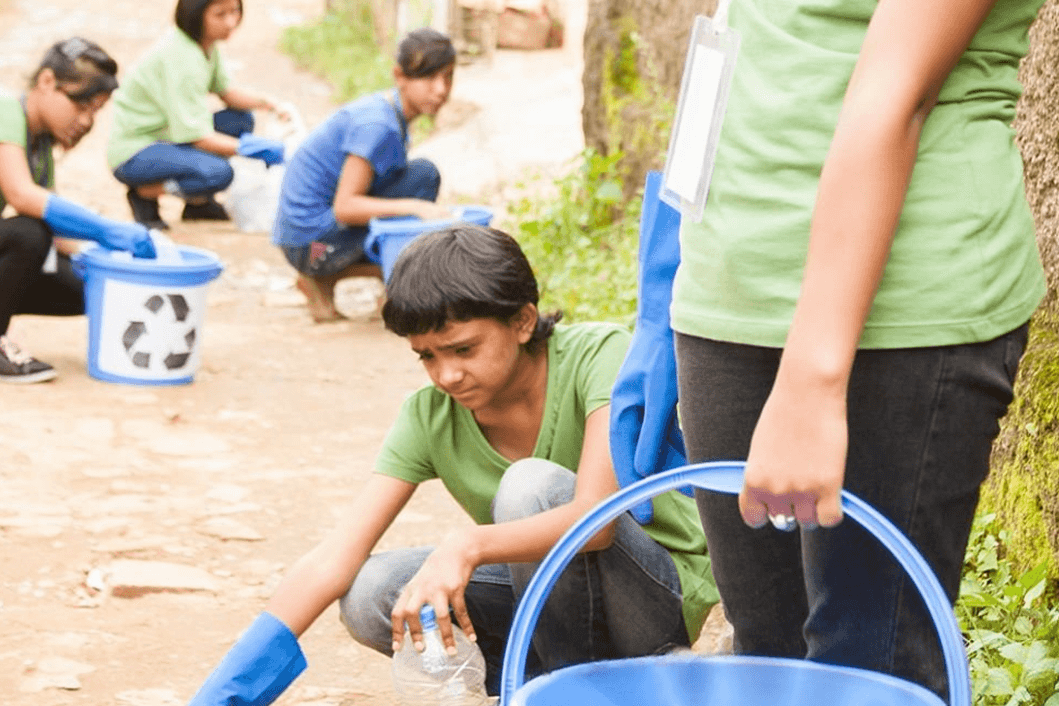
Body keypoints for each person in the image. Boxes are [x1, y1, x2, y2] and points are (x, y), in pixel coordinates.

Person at [655, 0, 1059, 697]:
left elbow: (898, 89)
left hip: (901, 303)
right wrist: (674, 283)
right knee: (765, 661)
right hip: (731, 278)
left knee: (869, 671)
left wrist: (814, 378)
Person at [187, 224, 718, 705]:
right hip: (547, 611)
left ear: (522, 321)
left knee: (530, 486)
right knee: (374, 592)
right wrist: (226, 693)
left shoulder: (598, 353)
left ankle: (582, 687)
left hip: (649, 596)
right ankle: (550, 684)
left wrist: (466, 545)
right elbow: (335, 556)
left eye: (463, 349)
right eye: (427, 356)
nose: (446, 375)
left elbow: (596, 522)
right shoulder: (429, 416)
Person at [0, 37, 155, 384]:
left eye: (95, 112)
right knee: (28, 232)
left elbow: (58, 232)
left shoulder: (39, 148)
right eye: (81, 105)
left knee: (84, 288)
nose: (86, 121)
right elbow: (24, 197)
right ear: (46, 82)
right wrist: (107, 229)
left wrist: (107, 260)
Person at [272, 29, 454, 323]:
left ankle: (346, 280)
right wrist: (416, 208)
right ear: (399, 77)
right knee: (422, 181)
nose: (441, 89)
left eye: (447, 77)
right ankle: (333, 278)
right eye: (429, 77)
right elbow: (346, 207)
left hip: (309, 238)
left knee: (420, 177)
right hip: (311, 247)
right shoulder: (378, 126)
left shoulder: (390, 113)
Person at [107, 0, 288, 231]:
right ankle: (146, 193)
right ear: (195, 15)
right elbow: (198, 137)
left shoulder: (204, 45)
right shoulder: (183, 58)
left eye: (234, 11)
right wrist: (248, 149)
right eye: (220, 15)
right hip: (137, 151)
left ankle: (198, 203)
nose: (230, 22)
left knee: (239, 119)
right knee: (219, 173)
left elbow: (227, 92)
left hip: (167, 137)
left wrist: (268, 103)